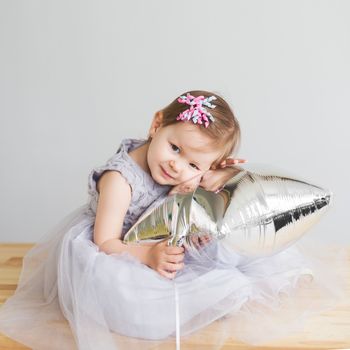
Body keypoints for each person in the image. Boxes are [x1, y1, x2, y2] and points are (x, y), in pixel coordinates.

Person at [0, 91, 346, 350]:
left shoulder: (191, 169)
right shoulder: (119, 180)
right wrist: (148, 256)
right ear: (156, 125)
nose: (177, 167)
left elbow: (185, 203)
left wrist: (217, 177)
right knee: (129, 295)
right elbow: (104, 242)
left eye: (195, 165)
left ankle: (228, 292)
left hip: (166, 236)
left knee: (229, 246)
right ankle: (201, 300)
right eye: (175, 148)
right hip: (120, 248)